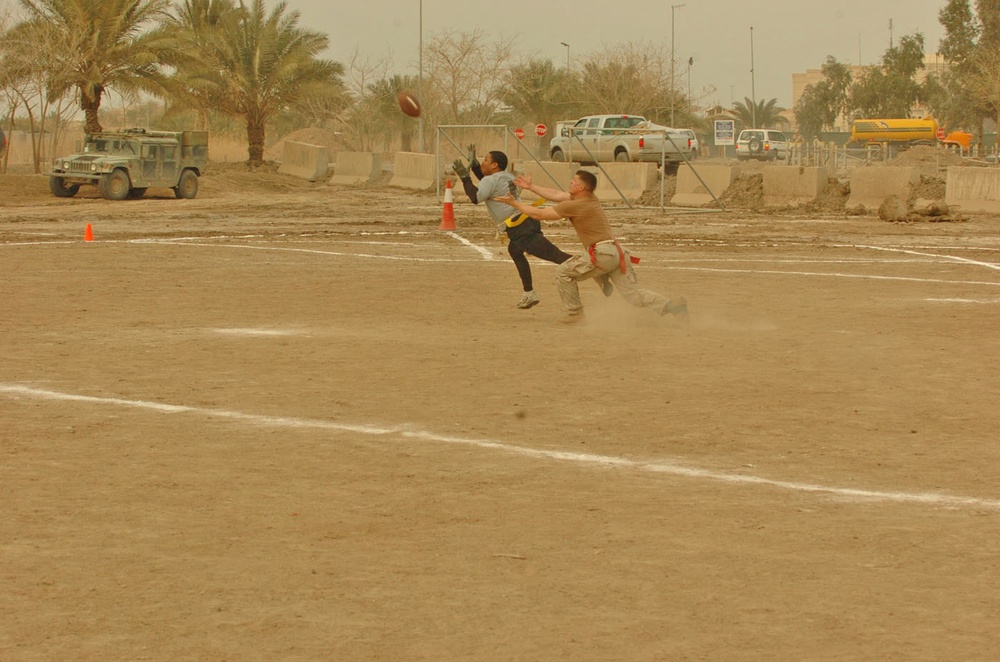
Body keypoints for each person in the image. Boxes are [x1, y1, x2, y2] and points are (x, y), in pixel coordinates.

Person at [498, 169, 687, 324]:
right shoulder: (588, 199)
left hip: (602, 253)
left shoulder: (576, 205)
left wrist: (515, 204)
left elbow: (540, 214)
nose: (570, 183)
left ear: (580, 187)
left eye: (573, 181)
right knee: (634, 296)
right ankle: (674, 307)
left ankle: (575, 313)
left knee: (564, 272)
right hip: (617, 252)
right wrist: (531, 187)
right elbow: (555, 195)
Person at [452, 147, 611, 309]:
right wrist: (474, 167)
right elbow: (486, 185)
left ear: (494, 165)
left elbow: (475, 197)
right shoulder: (504, 176)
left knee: (555, 255)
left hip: (520, 227)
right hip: (523, 223)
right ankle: (529, 292)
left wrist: (465, 177)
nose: (483, 163)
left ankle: (596, 270)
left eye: (485, 160)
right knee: (514, 250)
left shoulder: (490, 180)